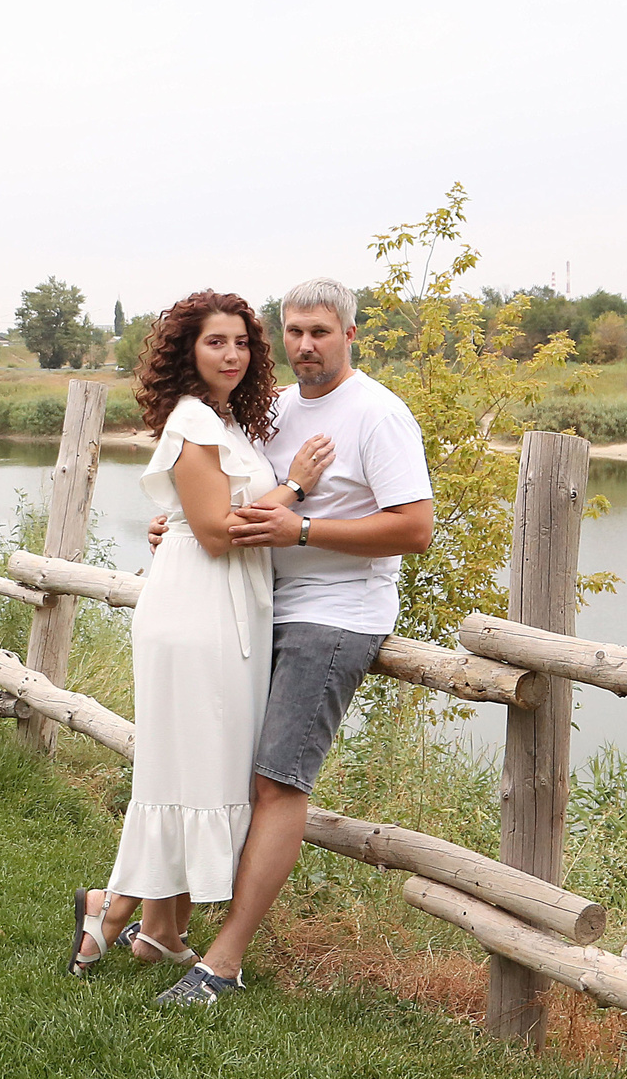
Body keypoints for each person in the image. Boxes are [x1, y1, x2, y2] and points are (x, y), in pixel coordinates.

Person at [146, 277, 434, 1007]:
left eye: (322, 332)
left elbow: (415, 528)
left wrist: (302, 529)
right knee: (229, 769)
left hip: (335, 616)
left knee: (278, 780)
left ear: (350, 336)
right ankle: (150, 919)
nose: (307, 345)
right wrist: (178, 526)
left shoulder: (379, 414)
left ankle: (224, 960)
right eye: (296, 331)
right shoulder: (269, 412)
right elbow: (230, 500)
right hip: (258, 606)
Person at [67, 292, 332, 976]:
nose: (233, 354)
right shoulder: (193, 421)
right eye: (216, 341)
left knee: (199, 766)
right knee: (186, 767)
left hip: (225, 606)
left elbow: (203, 516)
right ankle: (111, 908)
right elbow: (217, 532)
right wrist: (296, 489)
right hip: (197, 610)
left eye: (242, 342)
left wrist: (187, 519)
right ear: (187, 350)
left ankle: (156, 927)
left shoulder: (223, 422)